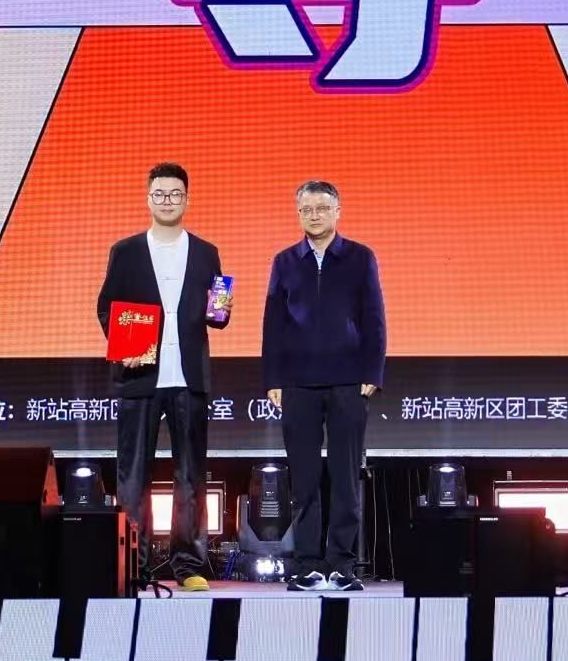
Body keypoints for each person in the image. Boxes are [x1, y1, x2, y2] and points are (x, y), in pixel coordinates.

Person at [97, 163, 230, 592]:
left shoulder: (206, 252)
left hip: (188, 377)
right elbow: (107, 307)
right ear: (148, 198)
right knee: (132, 474)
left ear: (187, 199)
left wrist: (222, 307)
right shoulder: (126, 251)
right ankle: (131, 564)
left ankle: (188, 564)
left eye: (175, 194)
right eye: (160, 194)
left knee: (191, 474)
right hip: (140, 377)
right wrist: (127, 347)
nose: (167, 201)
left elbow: (218, 315)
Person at [262, 180, 386, 593]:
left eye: (322, 208)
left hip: (349, 381)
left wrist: (373, 372)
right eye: (307, 209)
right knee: (304, 479)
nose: (314, 215)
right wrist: (273, 378)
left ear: (337, 211)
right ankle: (307, 565)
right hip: (297, 383)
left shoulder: (360, 257)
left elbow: (374, 317)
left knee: (346, 476)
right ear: (298, 213)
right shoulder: (285, 261)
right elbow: (273, 323)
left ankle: (342, 564)